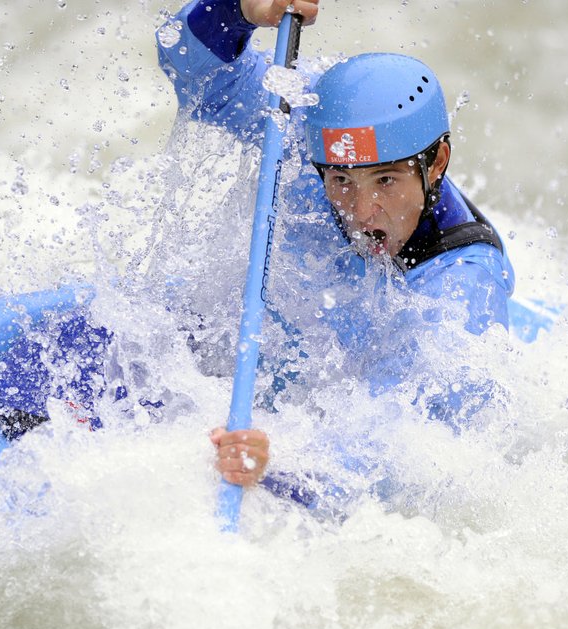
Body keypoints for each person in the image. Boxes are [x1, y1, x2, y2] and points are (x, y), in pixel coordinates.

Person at [155, 0, 516, 497]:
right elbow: (197, 73)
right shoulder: (315, 135)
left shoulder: (461, 286)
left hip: (336, 409)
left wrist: (275, 469)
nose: (361, 212)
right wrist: (236, 11)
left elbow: (384, 452)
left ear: (437, 164)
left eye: (386, 180)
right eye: (342, 181)